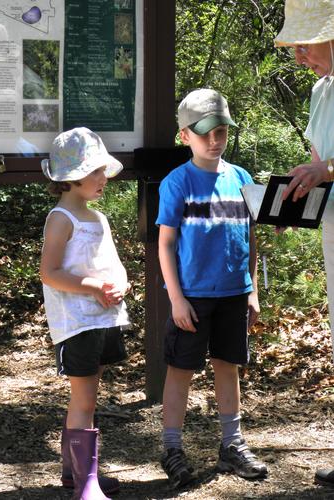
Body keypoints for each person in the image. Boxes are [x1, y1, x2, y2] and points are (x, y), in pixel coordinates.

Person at [155, 88, 268, 489]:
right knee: (181, 369)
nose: (215, 140)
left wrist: (252, 289)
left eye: (221, 131)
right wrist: (177, 299)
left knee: (228, 366)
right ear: (185, 135)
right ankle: (172, 447)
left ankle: (231, 444)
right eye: (205, 133)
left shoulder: (241, 178)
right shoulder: (177, 182)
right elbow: (165, 244)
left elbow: (250, 235)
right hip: (193, 296)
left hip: (234, 292)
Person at [40, 127, 130, 499]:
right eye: (95, 171)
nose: (102, 179)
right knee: (84, 398)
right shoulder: (61, 219)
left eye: (103, 170)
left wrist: (121, 285)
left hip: (104, 320)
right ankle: (85, 482)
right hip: (76, 324)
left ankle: (75, 472)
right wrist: (93, 287)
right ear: (72, 177)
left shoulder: (98, 218)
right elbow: (50, 273)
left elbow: (115, 265)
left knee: (90, 394)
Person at [274, 0, 334, 488]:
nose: (298, 56)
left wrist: (327, 170)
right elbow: (319, 164)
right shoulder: (321, 89)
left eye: (304, 43)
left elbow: (328, 167)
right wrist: (293, 203)